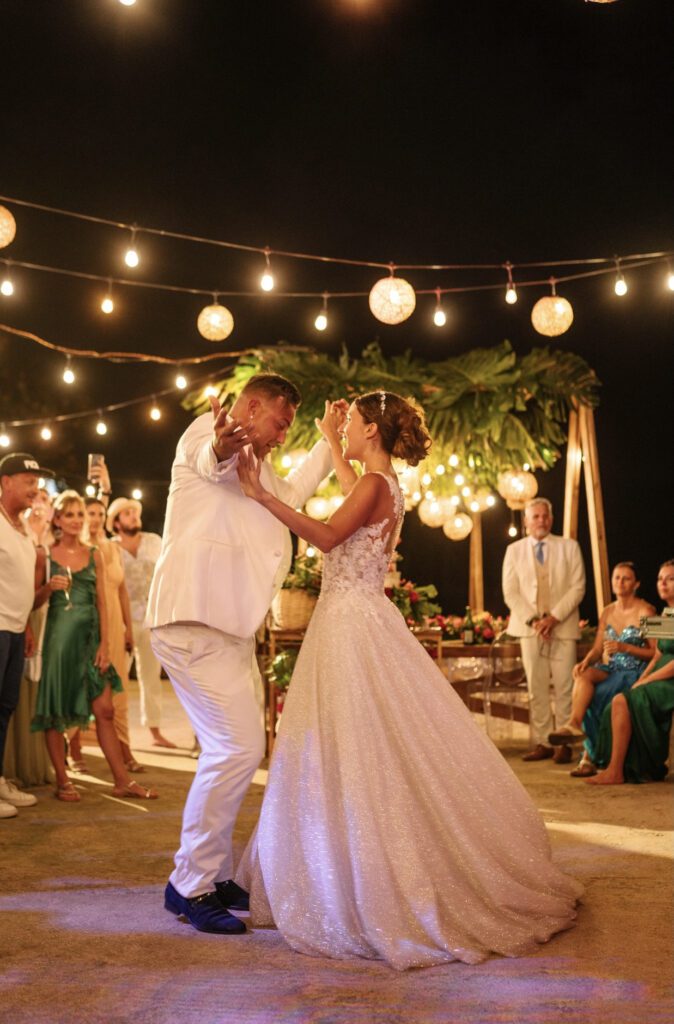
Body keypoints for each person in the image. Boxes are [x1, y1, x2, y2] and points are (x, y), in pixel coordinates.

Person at [234, 391, 582, 970]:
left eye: (351, 425)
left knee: (351, 747)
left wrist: (260, 494)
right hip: (358, 616)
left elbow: (324, 536)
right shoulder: (383, 483)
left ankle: (359, 880)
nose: (344, 432)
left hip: (348, 624)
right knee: (359, 745)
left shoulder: (374, 486)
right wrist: (326, 436)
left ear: (371, 429)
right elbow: (354, 491)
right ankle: (349, 864)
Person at [148, 373, 335, 935]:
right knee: (236, 749)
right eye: (280, 423)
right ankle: (189, 885)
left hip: (227, 628)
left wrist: (332, 439)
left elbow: (292, 497)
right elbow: (212, 458)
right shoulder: (209, 432)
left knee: (232, 751)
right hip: (193, 621)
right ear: (250, 408)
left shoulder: (261, 464)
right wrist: (224, 442)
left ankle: (211, 872)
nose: (281, 436)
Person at [30, 490, 157, 802]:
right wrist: (48, 587)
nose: (76, 520)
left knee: (105, 710)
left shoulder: (95, 553)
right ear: (57, 519)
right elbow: (32, 602)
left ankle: (122, 781)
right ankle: (63, 780)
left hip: (92, 642)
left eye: (79, 514)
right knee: (57, 713)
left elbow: (103, 602)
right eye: (69, 514)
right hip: (60, 642)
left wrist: (104, 644)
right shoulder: (44, 555)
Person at [548, 562, 655, 777]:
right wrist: (585, 661)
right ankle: (574, 724)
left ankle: (590, 758)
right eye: (616, 577)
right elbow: (598, 649)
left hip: (635, 671)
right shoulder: (607, 611)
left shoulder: (647, 610)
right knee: (583, 678)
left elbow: (654, 652)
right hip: (612, 668)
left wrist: (625, 647)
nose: (620, 582)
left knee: (594, 695)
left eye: (626, 578)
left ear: (636, 584)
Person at [502, 497, 586, 764]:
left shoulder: (569, 547)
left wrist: (554, 618)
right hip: (530, 630)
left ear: (551, 518)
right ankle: (542, 741)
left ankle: (564, 742)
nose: (541, 520)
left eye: (545, 516)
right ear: (526, 521)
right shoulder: (514, 551)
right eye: (535, 516)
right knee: (536, 688)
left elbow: (578, 587)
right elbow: (511, 592)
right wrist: (534, 620)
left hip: (563, 627)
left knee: (564, 686)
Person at [66, 498, 145, 774]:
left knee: (120, 693)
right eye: (91, 513)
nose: (96, 518)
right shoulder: (77, 548)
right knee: (81, 689)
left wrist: (128, 629)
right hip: (87, 626)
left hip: (115, 625)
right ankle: (73, 750)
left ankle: (125, 749)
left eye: (100, 513)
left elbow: (122, 590)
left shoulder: (114, 548)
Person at [588, 560, 674, 785]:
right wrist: (643, 679)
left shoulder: (648, 611)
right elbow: (657, 654)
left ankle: (619, 770)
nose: (663, 583)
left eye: (670, 579)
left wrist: (648, 680)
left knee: (622, 701)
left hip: (669, 679)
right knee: (618, 699)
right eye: (660, 578)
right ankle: (616, 767)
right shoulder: (665, 615)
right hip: (658, 674)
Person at [0, 453, 51, 819]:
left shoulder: (22, 528)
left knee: (4, 709)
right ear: (5, 482)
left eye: (37, 482)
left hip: (16, 630)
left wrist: (28, 625)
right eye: (28, 481)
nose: (36, 488)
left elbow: (18, 584)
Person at [107, 496, 174, 748]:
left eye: (135, 512)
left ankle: (155, 731)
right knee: (117, 675)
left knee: (150, 675)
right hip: (121, 619)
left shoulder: (153, 541)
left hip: (151, 617)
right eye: (127, 513)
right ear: (116, 522)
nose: (134, 516)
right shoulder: (110, 546)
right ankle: (114, 728)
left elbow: (167, 573)